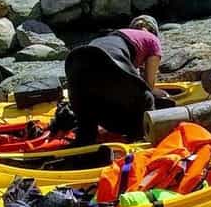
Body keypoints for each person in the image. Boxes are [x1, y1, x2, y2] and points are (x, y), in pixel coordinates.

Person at [64, 15, 167, 144]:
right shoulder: (153, 40)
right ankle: (143, 140)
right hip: (106, 61)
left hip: (76, 62)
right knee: (146, 98)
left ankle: (83, 145)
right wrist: (161, 95)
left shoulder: (115, 36)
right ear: (154, 32)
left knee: (88, 120)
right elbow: (149, 85)